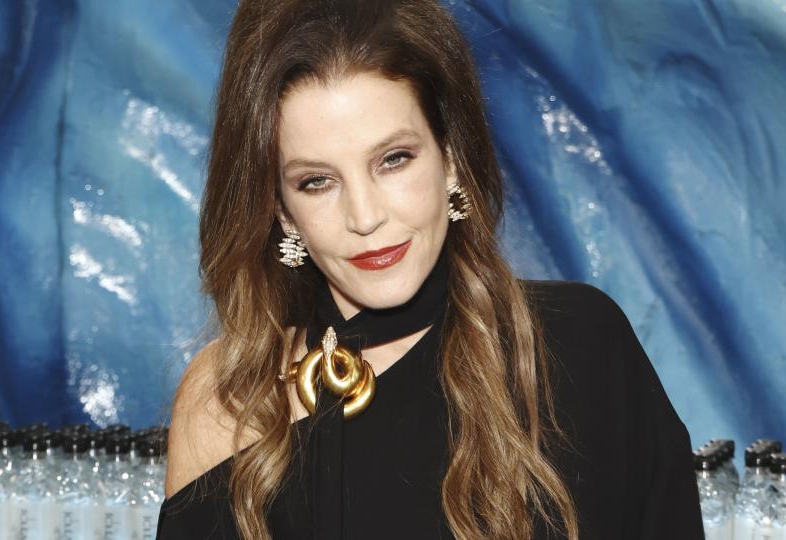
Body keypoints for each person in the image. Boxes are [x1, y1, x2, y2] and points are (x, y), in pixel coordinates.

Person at [157, 0, 704, 539]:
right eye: (316, 181)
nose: (366, 217)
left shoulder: (578, 344)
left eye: (393, 159)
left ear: (450, 156)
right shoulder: (229, 396)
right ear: (280, 208)